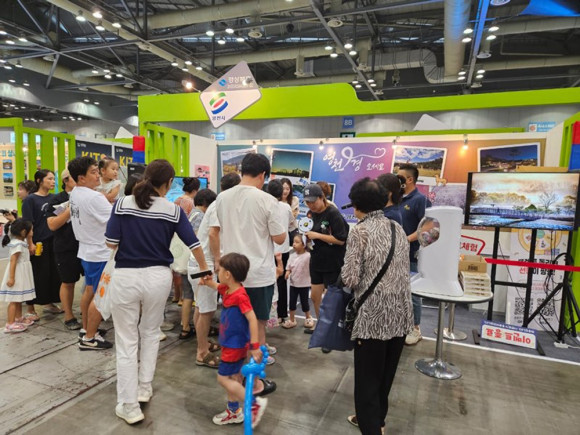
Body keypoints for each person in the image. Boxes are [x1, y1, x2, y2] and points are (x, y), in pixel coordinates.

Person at [105, 159, 210, 425]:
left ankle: (129, 406)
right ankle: (144, 388)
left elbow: (110, 242)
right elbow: (194, 243)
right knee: (151, 333)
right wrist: (205, 270)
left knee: (127, 341)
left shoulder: (122, 204)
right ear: (169, 183)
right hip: (158, 278)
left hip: (126, 276)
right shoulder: (173, 210)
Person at [341, 177, 413, 435]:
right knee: (385, 377)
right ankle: (377, 422)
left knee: (367, 381)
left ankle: (371, 427)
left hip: (373, 316)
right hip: (401, 314)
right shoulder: (397, 228)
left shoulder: (359, 231)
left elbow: (350, 279)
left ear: (357, 204)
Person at [210, 153, 285, 394]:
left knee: (235, 328)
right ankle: (255, 383)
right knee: (258, 327)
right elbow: (280, 237)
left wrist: (217, 263)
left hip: (231, 276)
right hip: (258, 275)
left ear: (242, 171)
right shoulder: (267, 200)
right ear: (263, 175)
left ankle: (236, 379)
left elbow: (216, 231)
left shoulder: (222, 197)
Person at [199, 253, 267, 428]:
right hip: (230, 343)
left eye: (220, 270)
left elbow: (252, 319)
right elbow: (216, 285)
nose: (217, 272)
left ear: (228, 274)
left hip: (234, 346)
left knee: (223, 379)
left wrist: (254, 346)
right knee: (233, 378)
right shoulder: (228, 289)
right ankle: (234, 411)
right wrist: (207, 281)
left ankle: (253, 404)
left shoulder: (240, 295)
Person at [189, 173, 240, 368]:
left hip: (201, 263)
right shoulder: (220, 205)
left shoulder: (218, 204)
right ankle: (201, 352)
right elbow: (213, 234)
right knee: (207, 310)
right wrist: (218, 261)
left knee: (202, 308)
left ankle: (202, 344)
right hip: (205, 264)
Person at [68, 157, 114, 351]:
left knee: (90, 290)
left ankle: (86, 328)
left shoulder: (75, 192)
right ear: (81, 178)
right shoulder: (94, 197)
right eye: (94, 172)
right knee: (100, 295)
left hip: (87, 251)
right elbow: (116, 219)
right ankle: (89, 338)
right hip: (100, 252)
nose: (98, 176)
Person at [303, 183, 349, 331]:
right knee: (315, 297)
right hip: (316, 260)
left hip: (332, 262)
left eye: (313, 201)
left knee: (331, 300)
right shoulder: (310, 214)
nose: (311, 205)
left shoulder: (333, 213)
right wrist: (306, 239)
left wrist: (317, 235)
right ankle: (321, 327)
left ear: (321, 197)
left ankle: (331, 329)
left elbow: (341, 239)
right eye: (307, 202)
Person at [397, 163, 431, 346]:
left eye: (400, 177)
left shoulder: (420, 200)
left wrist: (406, 240)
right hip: (395, 254)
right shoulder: (398, 199)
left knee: (413, 293)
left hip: (412, 254)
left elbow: (428, 228)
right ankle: (401, 324)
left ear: (409, 179)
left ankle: (415, 328)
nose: (397, 179)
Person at [179, 188, 217, 346]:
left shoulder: (192, 214)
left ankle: (200, 339)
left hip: (192, 264)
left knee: (199, 305)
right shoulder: (202, 217)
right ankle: (203, 347)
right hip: (202, 265)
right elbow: (203, 240)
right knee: (205, 310)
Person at [22, 169, 62, 320]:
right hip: (38, 243)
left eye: (54, 179)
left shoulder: (54, 198)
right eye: (49, 179)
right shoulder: (30, 199)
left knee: (53, 274)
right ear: (39, 181)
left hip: (53, 242)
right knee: (37, 274)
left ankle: (48, 303)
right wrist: (30, 243)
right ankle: (30, 308)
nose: (53, 182)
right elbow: (28, 224)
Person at [46, 169, 82, 330]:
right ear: (66, 180)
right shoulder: (57, 199)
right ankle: (69, 316)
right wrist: (69, 209)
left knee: (92, 282)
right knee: (68, 282)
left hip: (87, 245)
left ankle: (90, 313)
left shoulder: (88, 196)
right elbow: (52, 225)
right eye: (76, 178)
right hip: (66, 246)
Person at [267, 179, 296, 324]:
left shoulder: (264, 205)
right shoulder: (286, 207)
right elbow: (292, 225)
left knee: (267, 281)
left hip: (267, 249)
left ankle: (267, 313)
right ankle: (282, 314)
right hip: (283, 249)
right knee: (281, 282)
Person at [1, 219, 36, 333]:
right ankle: (10, 323)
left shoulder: (22, 242)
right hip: (17, 274)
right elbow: (13, 261)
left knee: (18, 298)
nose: (33, 232)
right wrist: (11, 278)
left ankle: (18, 318)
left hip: (21, 273)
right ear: (24, 232)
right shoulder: (18, 244)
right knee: (13, 299)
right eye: (31, 230)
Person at [172, 177, 201, 304]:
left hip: (174, 237)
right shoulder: (191, 202)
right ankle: (184, 297)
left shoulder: (177, 200)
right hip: (185, 235)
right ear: (195, 190)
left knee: (176, 267)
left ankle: (176, 296)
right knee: (184, 267)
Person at [282, 234, 314, 329]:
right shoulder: (292, 256)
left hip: (304, 284)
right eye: (293, 242)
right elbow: (289, 267)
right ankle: (292, 320)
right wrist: (287, 272)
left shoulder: (308, 256)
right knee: (292, 303)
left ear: (304, 245)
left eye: (297, 242)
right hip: (293, 284)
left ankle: (308, 317)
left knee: (305, 302)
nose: (294, 244)